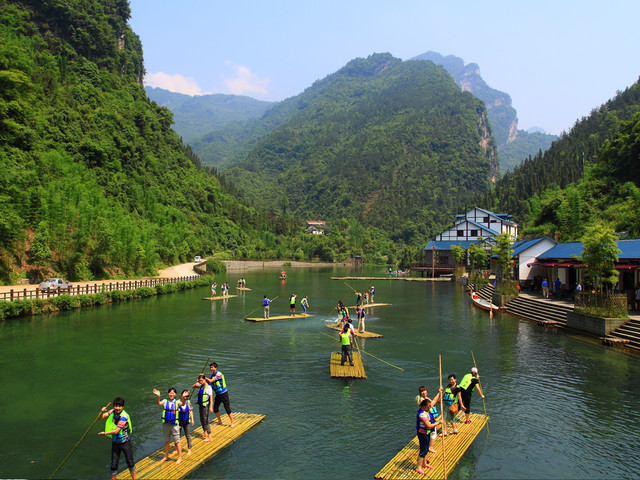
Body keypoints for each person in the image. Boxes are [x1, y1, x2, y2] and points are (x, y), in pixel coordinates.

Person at [98, 397, 136, 480]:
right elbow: (100, 417)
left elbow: (116, 431)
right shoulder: (112, 412)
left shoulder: (124, 416)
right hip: (115, 443)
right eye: (116, 406)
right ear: (114, 406)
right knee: (114, 464)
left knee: (130, 462)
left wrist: (105, 433)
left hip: (125, 442)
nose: (117, 408)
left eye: (119, 406)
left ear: (122, 407)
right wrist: (101, 412)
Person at [153, 387, 183, 464]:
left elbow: (182, 404)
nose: (171, 394)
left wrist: (183, 397)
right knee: (167, 441)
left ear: (175, 394)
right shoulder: (165, 401)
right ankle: (166, 456)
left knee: (177, 441)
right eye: (170, 393)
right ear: (168, 394)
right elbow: (158, 403)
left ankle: (180, 457)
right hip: (166, 424)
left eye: (173, 393)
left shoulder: (177, 402)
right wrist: (158, 396)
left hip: (174, 424)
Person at [415, 398, 442, 474]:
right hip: (422, 434)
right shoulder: (422, 414)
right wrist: (439, 422)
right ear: (424, 406)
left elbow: (433, 402)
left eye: (430, 406)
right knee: (423, 450)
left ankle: (424, 463)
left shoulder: (427, 411)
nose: (430, 408)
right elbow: (428, 425)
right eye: (428, 406)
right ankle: (418, 467)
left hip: (426, 433)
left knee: (426, 449)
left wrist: (440, 393)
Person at [206, 362, 235, 428]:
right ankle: (219, 421)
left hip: (224, 394)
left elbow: (210, 381)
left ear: (216, 368)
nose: (211, 369)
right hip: (218, 394)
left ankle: (232, 422)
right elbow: (209, 384)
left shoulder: (219, 374)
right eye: (210, 367)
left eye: (212, 367)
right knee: (215, 408)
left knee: (227, 408)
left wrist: (204, 377)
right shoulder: (211, 376)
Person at [415, 387, 441, 453]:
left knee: (432, 433)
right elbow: (432, 403)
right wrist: (439, 393)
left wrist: (440, 393)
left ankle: (428, 446)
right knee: (432, 432)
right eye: (422, 391)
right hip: (426, 419)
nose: (424, 392)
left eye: (425, 391)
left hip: (430, 417)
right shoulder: (422, 400)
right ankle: (430, 447)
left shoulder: (426, 398)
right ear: (420, 393)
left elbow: (433, 402)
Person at [193, 374, 213, 442]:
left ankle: (209, 436)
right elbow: (193, 386)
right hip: (201, 405)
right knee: (201, 419)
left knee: (206, 420)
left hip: (206, 406)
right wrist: (198, 382)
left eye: (202, 380)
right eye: (200, 380)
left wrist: (211, 407)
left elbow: (211, 397)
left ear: (205, 380)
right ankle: (205, 432)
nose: (201, 382)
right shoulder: (201, 385)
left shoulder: (208, 387)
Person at [177, 389, 194, 456]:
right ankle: (177, 448)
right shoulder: (177, 402)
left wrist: (192, 419)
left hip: (186, 421)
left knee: (188, 435)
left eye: (186, 395)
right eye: (184, 394)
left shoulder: (188, 402)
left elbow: (190, 411)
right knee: (177, 436)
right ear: (181, 395)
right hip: (179, 422)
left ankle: (189, 449)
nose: (185, 396)